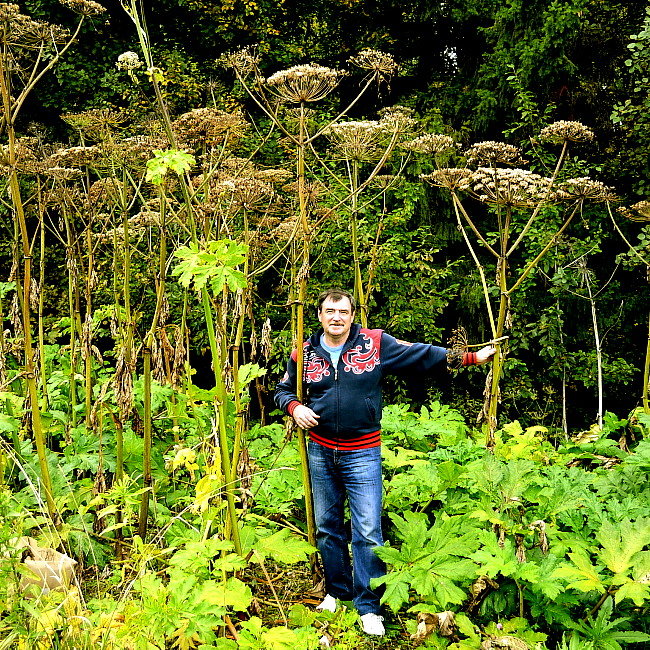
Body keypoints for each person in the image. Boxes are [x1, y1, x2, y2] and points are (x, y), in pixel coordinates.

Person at [274, 288, 495, 636]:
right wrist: (294, 407)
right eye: (329, 311)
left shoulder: (374, 343)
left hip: (362, 452)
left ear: (352, 315)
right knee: (327, 527)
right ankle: (336, 591)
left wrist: (471, 359)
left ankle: (368, 606)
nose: (336, 317)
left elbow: (421, 355)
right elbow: (283, 389)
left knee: (367, 531)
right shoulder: (303, 352)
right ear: (319, 316)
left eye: (343, 312)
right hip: (319, 450)